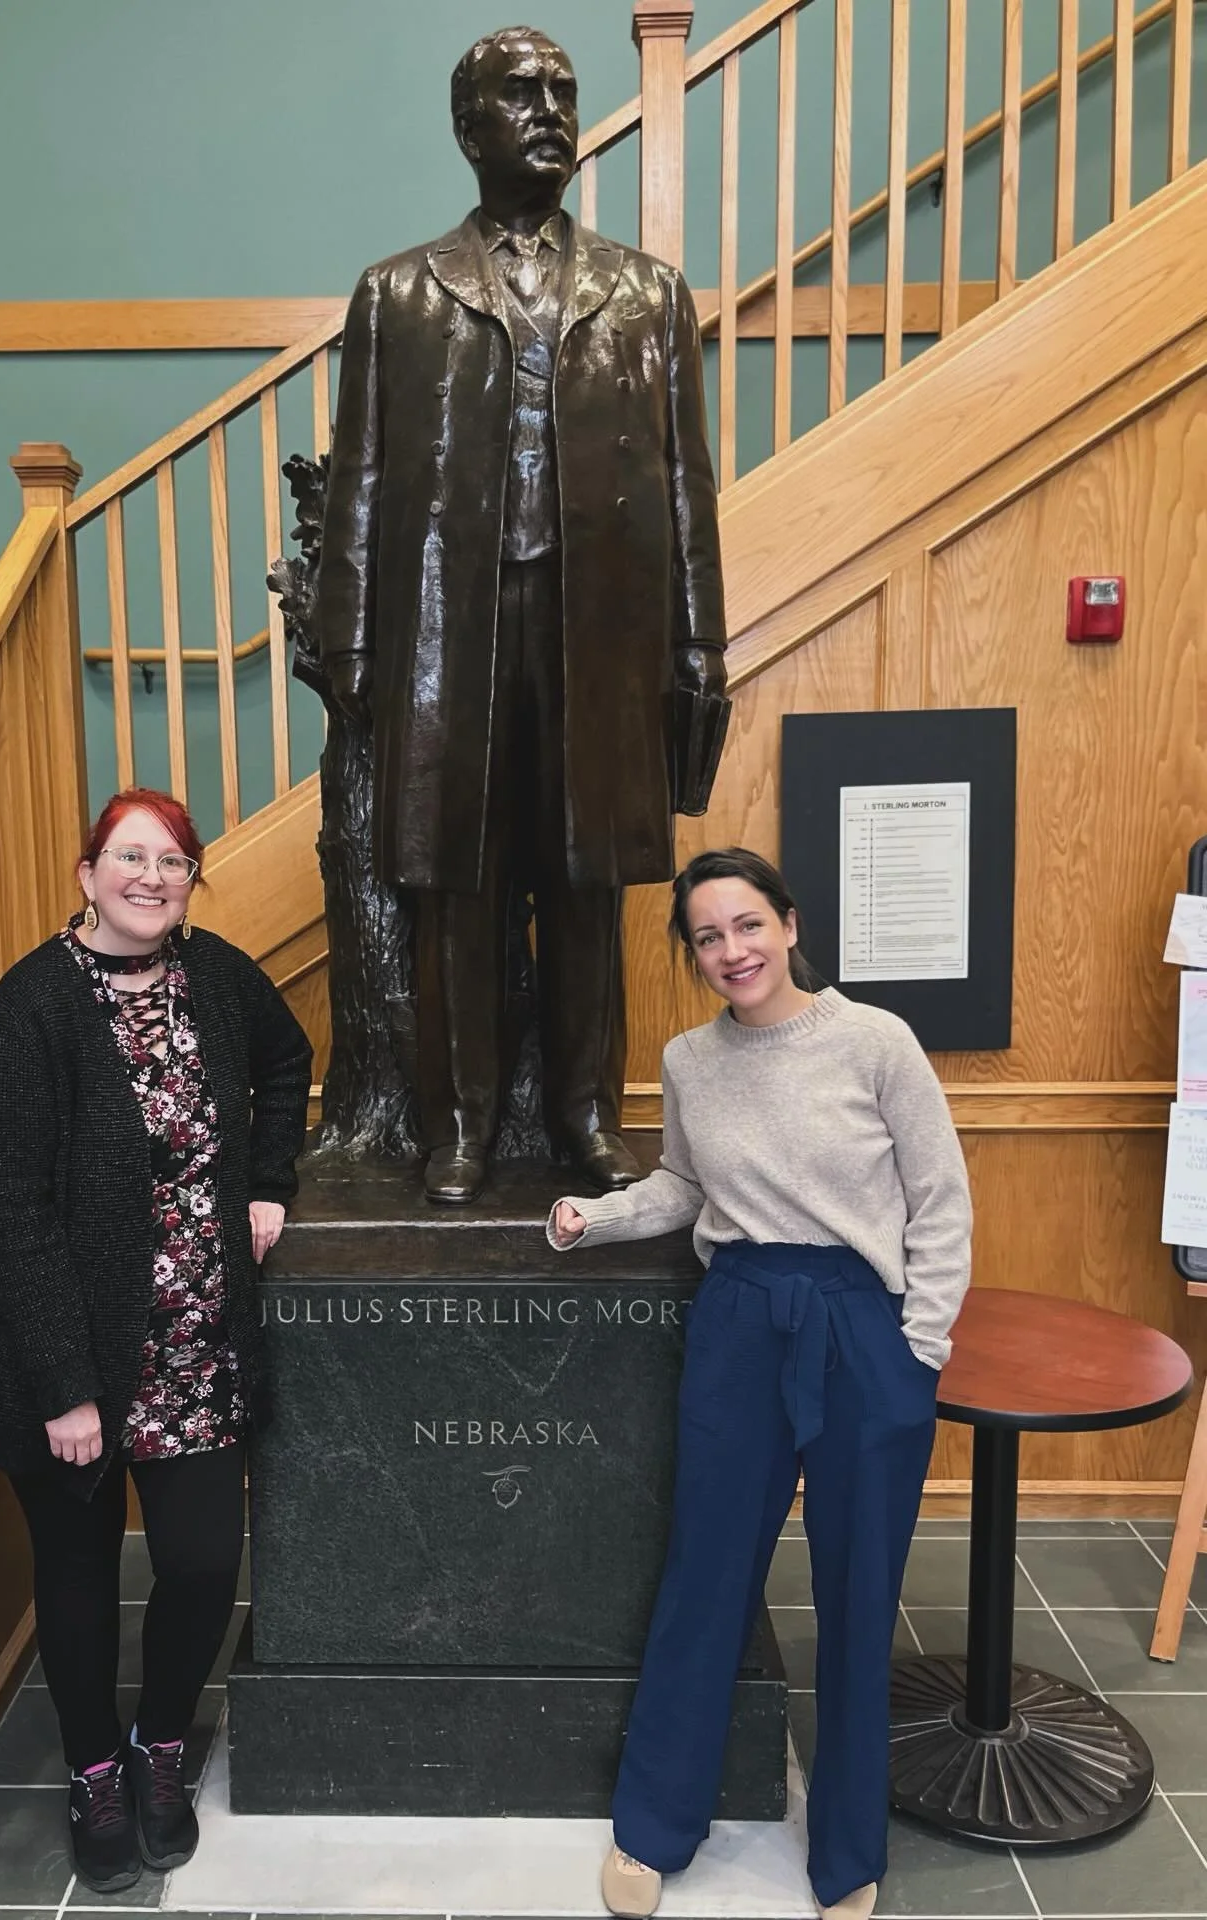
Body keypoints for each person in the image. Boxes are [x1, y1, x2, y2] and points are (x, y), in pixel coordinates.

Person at [317, 24, 727, 1203]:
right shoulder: (399, 293)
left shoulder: (647, 295)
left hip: (602, 638)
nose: (549, 109)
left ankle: (588, 1117)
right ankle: (458, 1126)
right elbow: (360, 482)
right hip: (450, 630)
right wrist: (346, 636)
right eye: (519, 93)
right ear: (468, 129)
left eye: (562, 91)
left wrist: (698, 641)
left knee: (589, 881)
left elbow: (687, 483)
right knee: (454, 888)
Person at [547, 849, 972, 1920]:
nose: (731, 950)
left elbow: (941, 1201)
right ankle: (653, 1828)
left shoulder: (876, 1042)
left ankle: (847, 1853)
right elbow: (685, 1183)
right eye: (706, 937)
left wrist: (919, 1348)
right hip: (737, 1317)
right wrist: (593, 1218)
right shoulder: (691, 1059)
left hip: (861, 1329)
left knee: (858, 1592)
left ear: (788, 924)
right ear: (693, 955)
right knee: (707, 1575)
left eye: (747, 925)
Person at [0, 787, 312, 1896]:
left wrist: (268, 1183)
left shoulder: (221, 976)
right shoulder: (33, 1004)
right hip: (64, 1354)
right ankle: (94, 1771)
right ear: (88, 874)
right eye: (130, 858)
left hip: (195, 1341)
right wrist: (65, 1387)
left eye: (175, 862)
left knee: (198, 1561)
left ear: (193, 882)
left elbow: (285, 1066)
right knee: (80, 1572)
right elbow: (8, 1202)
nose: (153, 877)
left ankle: (159, 1750)